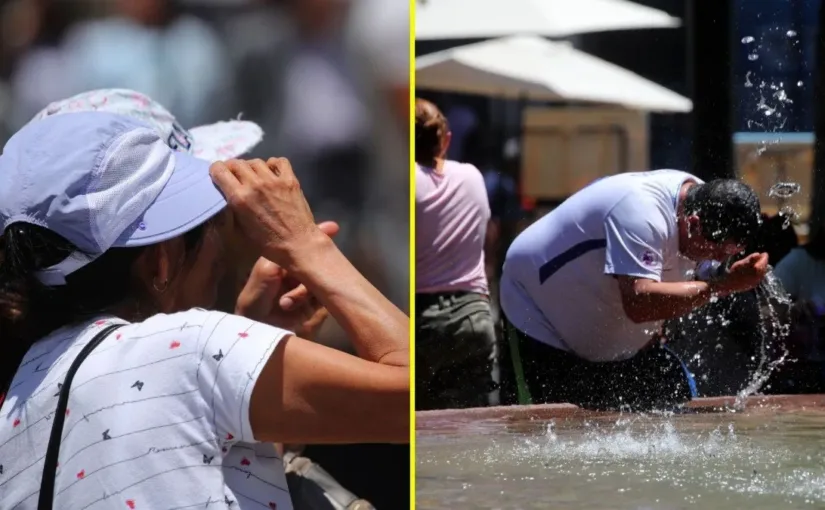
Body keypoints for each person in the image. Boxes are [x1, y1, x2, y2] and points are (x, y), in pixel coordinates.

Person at [0, 111, 409, 509]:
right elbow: (420, 406)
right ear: (160, 263)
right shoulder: (191, 350)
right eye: (205, 224)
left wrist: (254, 345)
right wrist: (306, 246)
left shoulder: (23, 395)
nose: (221, 237)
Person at [499, 171, 768, 410]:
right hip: (537, 315)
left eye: (731, 252)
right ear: (693, 223)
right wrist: (722, 286)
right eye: (718, 251)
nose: (720, 259)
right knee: (538, 432)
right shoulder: (641, 214)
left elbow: (700, 273)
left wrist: (725, 276)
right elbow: (640, 304)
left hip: (612, 338)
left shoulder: (708, 202)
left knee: (680, 411)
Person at [415, 98, 498, 410]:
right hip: (473, 316)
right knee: (469, 426)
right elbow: (488, 236)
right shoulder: (472, 175)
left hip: (422, 320)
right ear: (446, 140)